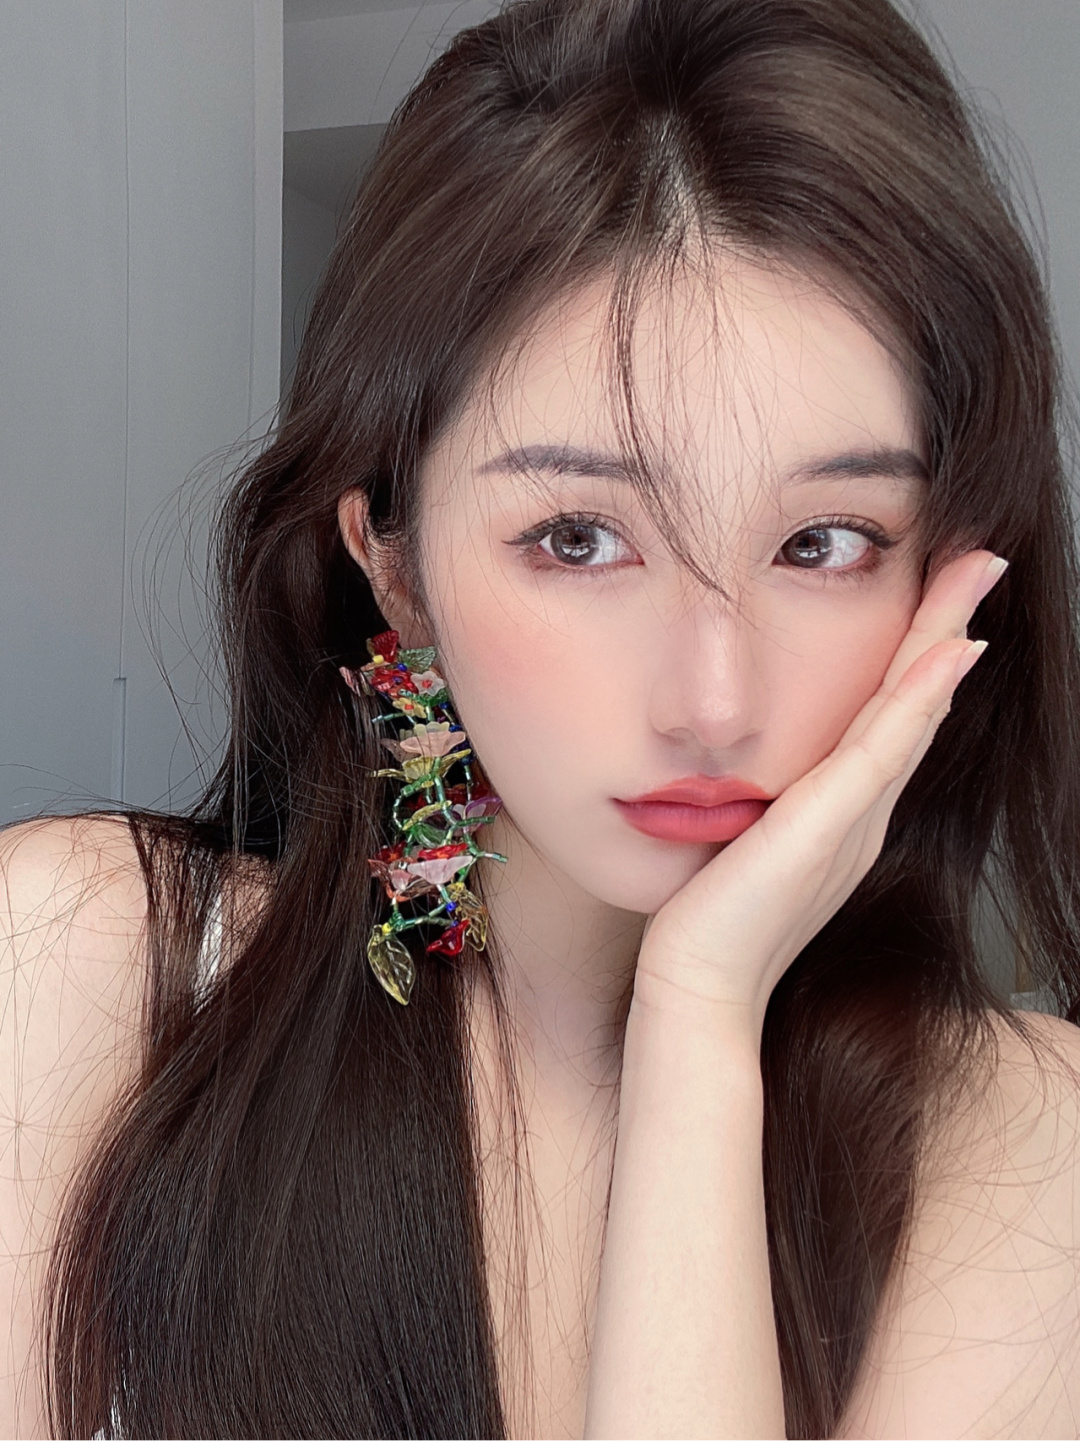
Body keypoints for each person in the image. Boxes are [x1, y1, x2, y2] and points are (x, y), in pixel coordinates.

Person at [5, 0, 1080, 1435]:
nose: (713, 701)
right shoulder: (88, 974)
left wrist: (700, 1024)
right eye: (579, 537)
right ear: (396, 568)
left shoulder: (1020, 1140)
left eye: (823, 542)